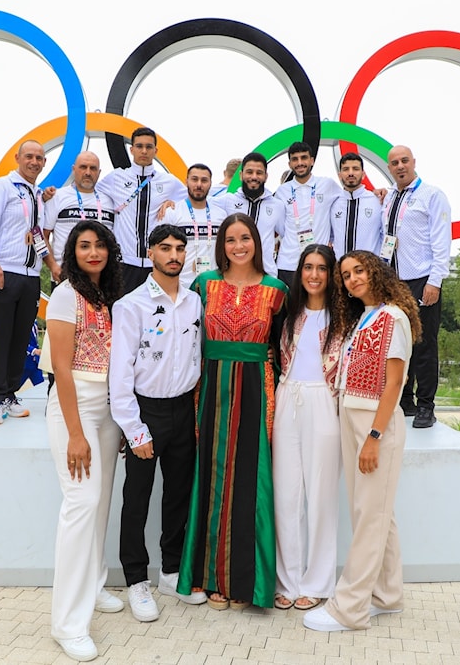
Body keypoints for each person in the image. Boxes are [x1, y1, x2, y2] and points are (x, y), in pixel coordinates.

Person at [303, 250, 422, 633]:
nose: (352, 279)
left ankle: (349, 609)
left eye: (359, 271)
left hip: (375, 424)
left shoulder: (395, 317)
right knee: (375, 514)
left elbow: (394, 384)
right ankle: (387, 597)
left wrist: (374, 435)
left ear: (376, 272)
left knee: (369, 517)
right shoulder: (365, 317)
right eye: (347, 274)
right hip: (352, 417)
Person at [177, 213, 288, 611]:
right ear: (220, 245)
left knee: (250, 480)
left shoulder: (277, 291)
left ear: (256, 241)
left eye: (245, 238)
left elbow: (282, 346)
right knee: (210, 477)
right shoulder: (203, 285)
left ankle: (246, 582)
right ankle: (209, 577)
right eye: (230, 239)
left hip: (257, 387)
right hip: (210, 388)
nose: (238, 246)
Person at [110, 224, 207, 622]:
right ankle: (136, 580)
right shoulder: (131, 305)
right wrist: (135, 429)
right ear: (150, 253)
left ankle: (170, 571)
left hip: (184, 409)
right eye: (165, 248)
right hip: (146, 412)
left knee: (178, 495)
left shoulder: (194, 301)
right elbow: (120, 375)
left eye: (180, 249)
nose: (174, 255)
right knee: (137, 499)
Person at [45, 220, 125, 662]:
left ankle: (93, 586)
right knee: (82, 503)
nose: (92, 252)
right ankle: (68, 625)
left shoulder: (109, 295)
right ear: (72, 252)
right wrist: (77, 433)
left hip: (108, 409)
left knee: (100, 504)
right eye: (83, 246)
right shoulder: (64, 294)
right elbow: (61, 369)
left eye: (99, 246)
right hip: (74, 408)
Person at [272, 244, 344, 612]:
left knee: (320, 495)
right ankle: (287, 580)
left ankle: (316, 583)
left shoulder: (344, 319)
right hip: (288, 399)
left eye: (322, 269)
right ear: (299, 273)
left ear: (332, 275)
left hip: (324, 403)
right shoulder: (288, 314)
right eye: (307, 268)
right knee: (286, 495)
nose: (314, 275)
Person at [0, 139, 60, 425]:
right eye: (29, 156)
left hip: (30, 276)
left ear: (44, 163)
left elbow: (40, 232)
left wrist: (46, 199)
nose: (34, 162)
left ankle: (9, 393)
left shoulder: (36, 194)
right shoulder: (1, 188)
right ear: (17, 158)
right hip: (3, 272)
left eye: (39, 158)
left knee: (19, 338)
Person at [380, 145, 451, 428]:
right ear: (389, 168)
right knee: (399, 344)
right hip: (394, 282)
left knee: (424, 345)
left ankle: (426, 406)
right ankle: (404, 400)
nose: (400, 166)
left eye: (404, 161)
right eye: (394, 163)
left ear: (414, 163)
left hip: (422, 279)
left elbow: (442, 240)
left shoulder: (432, 195)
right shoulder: (389, 198)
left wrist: (435, 281)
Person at [98, 127, 187, 294]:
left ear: (156, 150)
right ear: (131, 149)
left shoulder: (168, 181)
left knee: (157, 314)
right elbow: (89, 191)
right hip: (124, 263)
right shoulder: (116, 177)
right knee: (122, 312)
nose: (144, 151)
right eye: (139, 146)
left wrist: (172, 201)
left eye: (149, 147)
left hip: (155, 264)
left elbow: (193, 199)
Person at [274, 142, 343, 285]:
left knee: (319, 306)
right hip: (289, 263)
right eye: (295, 159)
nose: (299, 163)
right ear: (290, 164)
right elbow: (281, 227)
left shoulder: (328, 185)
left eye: (303, 158)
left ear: (311, 160)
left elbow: (347, 200)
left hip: (319, 262)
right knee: (291, 307)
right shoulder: (282, 191)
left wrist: (377, 193)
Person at [43, 151, 116, 272]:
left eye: (93, 168)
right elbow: (43, 235)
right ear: (74, 169)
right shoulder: (57, 197)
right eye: (83, 167)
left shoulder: (109, 201)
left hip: (102, 277)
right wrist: (53, 267)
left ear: (99, 172)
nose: (88, 172)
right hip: (66, 274)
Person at [213, 151, 282, 278]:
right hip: (233, 277)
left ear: (266, 176)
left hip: (267, 276)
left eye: (259, 173)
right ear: (241, 175)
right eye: (249, 172)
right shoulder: (227, 201)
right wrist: (169, 201)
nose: (254, 177)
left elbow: (288, 237)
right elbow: (198, 202)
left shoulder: (277, 205)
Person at [159, 164, 228, 288]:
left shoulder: (221, 215)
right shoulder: (172, 212)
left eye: (204, 180)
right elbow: (161, 249)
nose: (199, 185)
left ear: (210, 184)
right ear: (186, 181)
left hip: (213, 284)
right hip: (181, 284)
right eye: (194, 179)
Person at [328, 152, 383, 259]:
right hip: (341, 270)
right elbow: (330, 237)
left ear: (363, 174)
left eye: (355, 169)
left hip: (370, 270)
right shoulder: (333, 203)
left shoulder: (378, 201)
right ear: (340, 175)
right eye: (346, 169)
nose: (351, 173)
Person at [20, 321, 44, 390]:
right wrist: (33, 350)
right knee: (13, 387)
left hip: (35, 362)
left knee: (41, 386)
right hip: (25, 362)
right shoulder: (21, 323)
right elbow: (19, 342)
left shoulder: (34, 323)